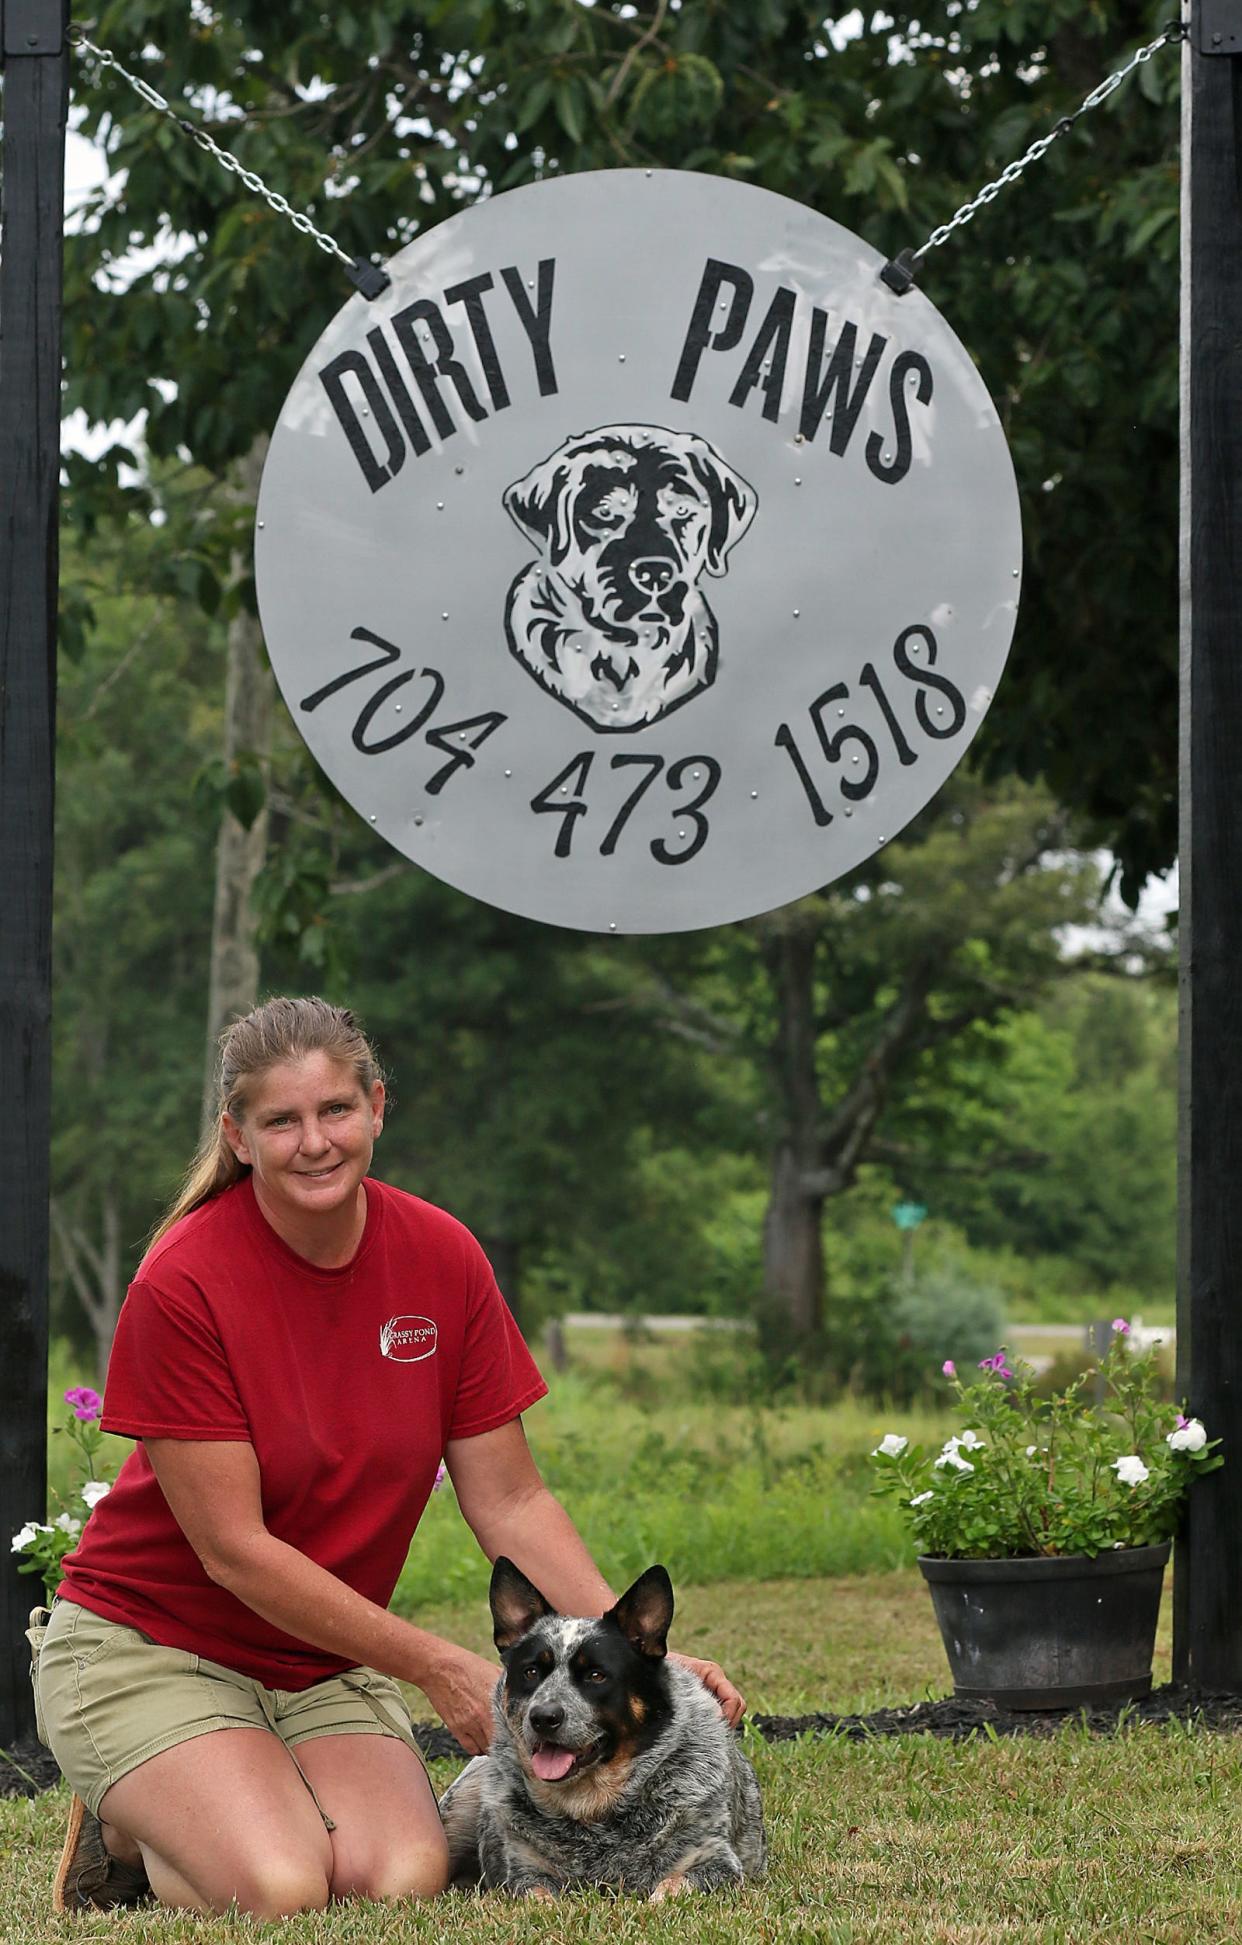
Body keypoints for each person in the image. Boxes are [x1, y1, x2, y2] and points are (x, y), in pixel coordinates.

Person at [35, 996, 743, 1917]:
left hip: (317, 1656)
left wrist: (631, 1655)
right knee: (283, 1887)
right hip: (150, 1644)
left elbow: (514, 1498)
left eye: (335, 1109)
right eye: (281, 1120)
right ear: (238, 1136)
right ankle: (128, 1824)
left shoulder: (441, 1256)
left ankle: (220, 1788)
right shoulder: (182, 1282)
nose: (315, 1141)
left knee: (400, 1879)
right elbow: (234, 1550)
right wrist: (433, 1663)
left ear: (377, 1106)